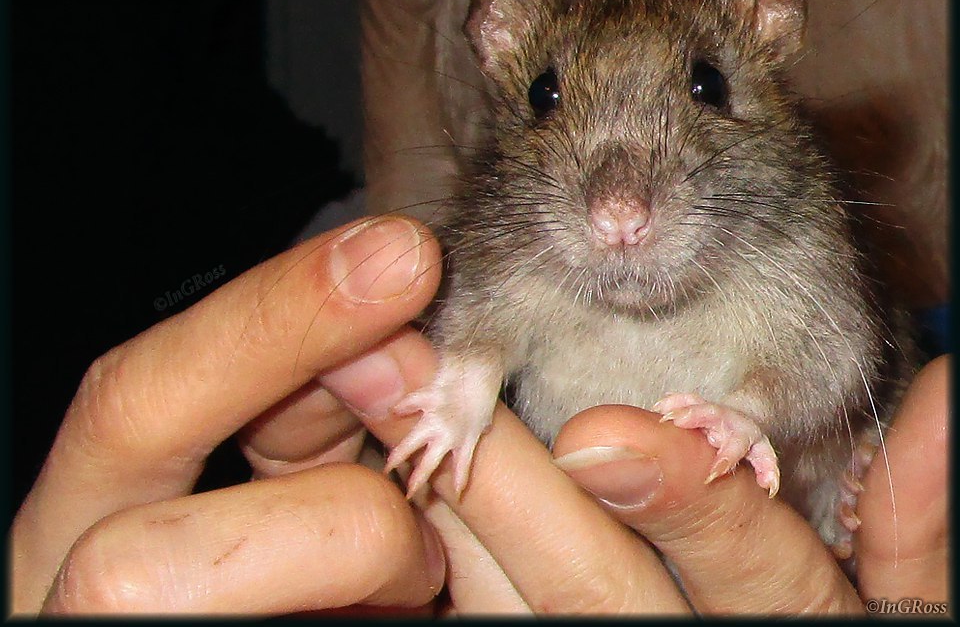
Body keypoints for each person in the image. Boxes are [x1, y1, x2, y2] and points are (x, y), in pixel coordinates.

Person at [10, 216, 949, 615]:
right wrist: (464, 386)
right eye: (550, 101)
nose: (621, 214)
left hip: (827, 507)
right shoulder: (508, 246)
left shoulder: (806, 257)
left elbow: (839, 364)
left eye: (701, 88)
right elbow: (481, 325)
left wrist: (751, 411)